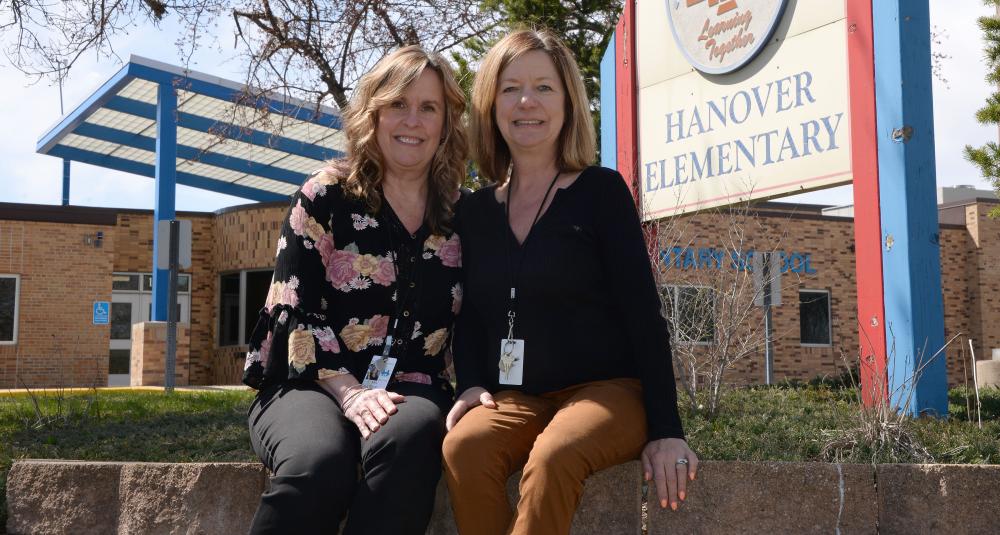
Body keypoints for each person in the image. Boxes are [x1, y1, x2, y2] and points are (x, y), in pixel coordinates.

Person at [442, 29, 698, 535]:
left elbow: (644, 316)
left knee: (555, 455)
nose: (526, 102)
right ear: (491, 104)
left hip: (610, 393)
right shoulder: (472, 212)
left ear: (568, 103)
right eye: (511, 88)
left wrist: (668, 430)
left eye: (544, 87)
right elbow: (468, 315)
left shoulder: (600, 192)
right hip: (518, 396)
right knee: (463, 447)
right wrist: (470, 382)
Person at [242, 45, 468, 535]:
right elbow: (294, 308)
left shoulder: (461, 214)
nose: (413, 120)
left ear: (447, 122)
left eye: (429, 107)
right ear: (373, 112)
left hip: (411, 387)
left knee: (407, 443)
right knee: (319, 463)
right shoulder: (326, 195)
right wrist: (352, 395)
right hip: (308, 383)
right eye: (398, 104)